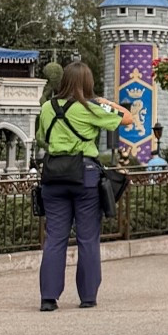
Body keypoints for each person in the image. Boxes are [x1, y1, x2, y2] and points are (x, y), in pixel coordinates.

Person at [35, 61, 135, 310]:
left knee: (55, 238)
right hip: (85, 176)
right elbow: (127, 118)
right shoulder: (89, 107)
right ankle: (88, 296)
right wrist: (103, 101)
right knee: (87, 238)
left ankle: (49, 298)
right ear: (87, 83)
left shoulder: (47, 107)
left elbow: (40, 139)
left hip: (54, 176)